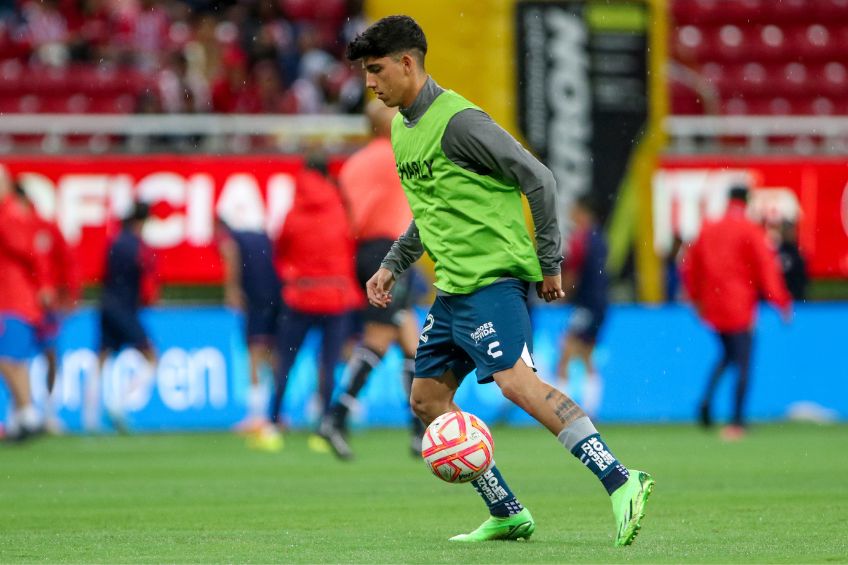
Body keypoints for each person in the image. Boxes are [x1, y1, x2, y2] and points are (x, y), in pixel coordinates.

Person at [347, 15, 653, 546]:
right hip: (452, 292)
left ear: (407, 63)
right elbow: (433, 209)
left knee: (517, 384)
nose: (370, 84)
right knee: (425, 400)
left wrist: (550, 261)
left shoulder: (460, 121)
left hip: (494, 281)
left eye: (376, 71)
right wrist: (395, 263)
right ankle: (507, 511)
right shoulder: (401, 128)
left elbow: (539, 178)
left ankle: (622, 479)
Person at [319, 99, 422, 460]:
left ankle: (419, 429)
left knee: (411, 341)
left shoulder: (353, 164)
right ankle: (336, 417)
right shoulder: (400, 154)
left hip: (364, 252)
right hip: (391, 253)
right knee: (379, 339)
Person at [255, 156, 362, 452]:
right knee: (327, 365)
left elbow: (280, 250)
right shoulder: (341, 208)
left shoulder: (294, 211)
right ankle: (323, 429)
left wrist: (294, 274)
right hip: (336, 296)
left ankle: (274, 424)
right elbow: (350, 244)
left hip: (300, 295)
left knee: (285, 362)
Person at [682, 185, 792, 440]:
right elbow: (766, 268)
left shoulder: (709, 228)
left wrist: (696, 298)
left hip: (714, 304)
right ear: (747, 201)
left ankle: (707, 401)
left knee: (727, 355)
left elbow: (691, 265)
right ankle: (737, 421)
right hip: (740, 305)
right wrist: (781, 302)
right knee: (742, 361)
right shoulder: (751, 230)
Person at [15, 181, 81, 434]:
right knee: (15, 359)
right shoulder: (10, 227)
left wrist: (70, 294)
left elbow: (68, 261)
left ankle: (50, 412)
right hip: (19, 306)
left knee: (50, 358)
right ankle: (20, 414)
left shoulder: (44, 226)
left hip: (46, 306)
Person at [92, 202, 158, 432]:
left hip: (106, 304)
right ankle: (118, 406)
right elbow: (150, 285)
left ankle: (89, 417)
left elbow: (103, 274)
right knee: (151, 357)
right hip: (125, 309)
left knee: (101, 358)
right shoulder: (139, 247)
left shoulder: (115, 241)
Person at [216, 219, 282, 433]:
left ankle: (256, 417)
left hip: (256, 300)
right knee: (272, 357)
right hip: (277, 297)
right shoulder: (263, 236)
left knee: (254, 355)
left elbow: (230, 255)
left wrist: (231, 289)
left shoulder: (232, 239)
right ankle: (276, 414)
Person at [0, 166, 49, 441]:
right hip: (13, 299)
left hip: (12, 300)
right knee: (16, 360)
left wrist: (43, 285)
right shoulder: (13, 213)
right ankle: (21, 416)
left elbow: (31, 252)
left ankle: (27, 413)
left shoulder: (10, 216)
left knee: (7, 359)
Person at [556, 196, 609, 419]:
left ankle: (562, 412)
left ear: (582, 212)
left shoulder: (581, 238)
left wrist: (561, 292)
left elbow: (572, 271)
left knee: (566, 351)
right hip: (601, 304)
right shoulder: (601, 237)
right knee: (586, 355)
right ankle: (591, 409)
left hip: (586, 304)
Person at [776, 220, 808, 301]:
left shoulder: (798, 253)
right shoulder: (776, 251)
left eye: (790, 231)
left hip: (796, 296)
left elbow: (801, 278)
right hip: (777, 296)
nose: (788, 234)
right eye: (786, 231)